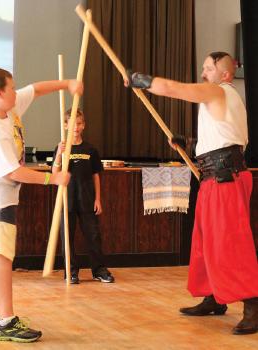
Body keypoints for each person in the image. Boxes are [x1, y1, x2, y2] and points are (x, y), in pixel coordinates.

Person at [124, 52, 258, 335]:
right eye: (204, 67)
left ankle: (253, 305)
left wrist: (140, 80)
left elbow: (175, 89)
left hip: (226, 179)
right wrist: (189, 143)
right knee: (207, 241)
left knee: (230, 243)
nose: (203, 72)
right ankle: (214, 297)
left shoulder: (219, 90)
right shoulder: (221, 97)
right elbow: (222, 136)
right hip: (215, 177)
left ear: (225, 74)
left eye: (209, 68)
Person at [0, 67, 83, 343]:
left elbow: (37, 88)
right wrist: (52, 179)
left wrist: (67, 84)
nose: (16, 92)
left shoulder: (7, 105)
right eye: (11, 88)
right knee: (1, 256)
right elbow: (12, 172)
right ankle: (6, 321)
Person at [52, 108, 115, 284]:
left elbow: (96, 176)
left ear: (83, 125)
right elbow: (54, 173)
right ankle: (71, 272)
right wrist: (59, 154)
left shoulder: (90, 149)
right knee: (67, 237)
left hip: (87, 199)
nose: (76, 127)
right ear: (65, 125)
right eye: (72, 123)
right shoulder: (61, 148)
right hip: (67, 200)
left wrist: (97, 199)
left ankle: (99, 270)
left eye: (79, 123)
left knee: (93, 235)